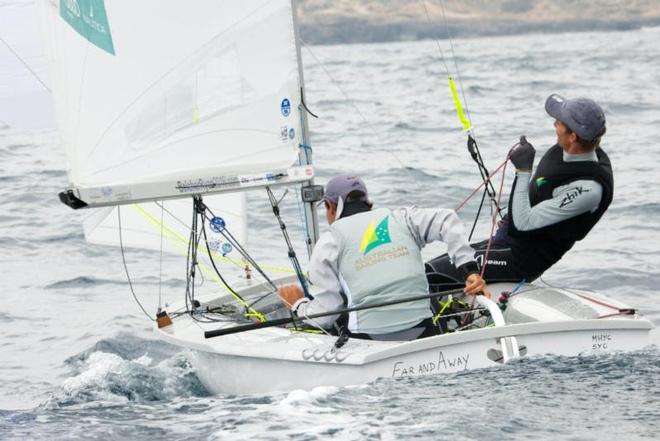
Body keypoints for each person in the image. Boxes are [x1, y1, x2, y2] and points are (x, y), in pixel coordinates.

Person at [425, 93, 613, 289]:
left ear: (573, 136)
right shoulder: (570, 150)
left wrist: (523, 171)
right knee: (430, 268)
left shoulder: (589, 190)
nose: (554, 124)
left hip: (521, 259)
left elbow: (523, 223)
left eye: (559, 122)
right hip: (505, 242)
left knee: (433, 275)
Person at [278, 174, 489, 341]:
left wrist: (298, 305)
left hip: (369, 341)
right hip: (424, 332)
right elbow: (446, 218)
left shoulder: (328, 242)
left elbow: (325, 317)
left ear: (329, 206)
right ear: (368, 200)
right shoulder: (402, 219)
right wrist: (469, 271)